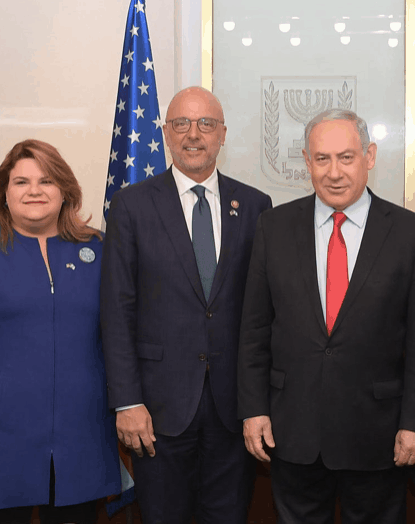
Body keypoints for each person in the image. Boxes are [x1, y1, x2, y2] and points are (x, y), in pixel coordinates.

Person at [237, 108, 415, 523]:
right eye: (322, 159)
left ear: (369, 156)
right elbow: (255, 330)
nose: (334, 172)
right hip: (292, 433)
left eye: (346, 157)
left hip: (378, 436)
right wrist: (254, 409)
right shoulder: (273, 228)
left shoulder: (411, 234)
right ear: (307, 162)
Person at [100, 86, 272, 523]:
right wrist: (126, 402)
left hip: (233, 409)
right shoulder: (131, 206)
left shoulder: (254, 206)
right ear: (166, 132)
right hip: (157, 409)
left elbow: (262, 312)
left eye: (205, 124)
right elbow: (117, 311)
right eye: (181, 123)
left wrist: (261, 401)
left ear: (223, 134)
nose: (193, 134)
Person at [0, 139, 121, 523]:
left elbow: (120, 335)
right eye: (21, 182)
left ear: (65, 191)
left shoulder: (99, 251)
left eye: (46, 180)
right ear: (4, 193)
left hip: (81, 437)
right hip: (7, 437)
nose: (34, 190)